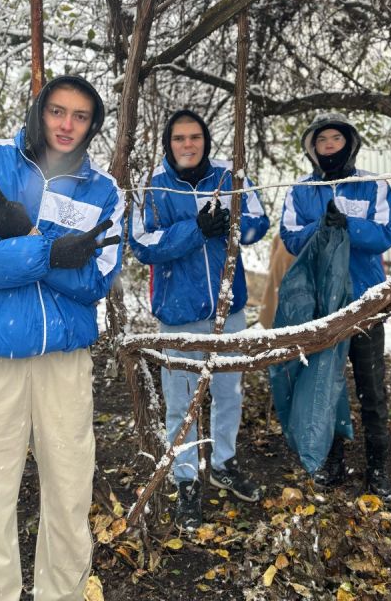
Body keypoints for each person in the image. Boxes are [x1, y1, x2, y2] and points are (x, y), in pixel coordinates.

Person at [0, 74, 124, 601]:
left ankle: (63, 593)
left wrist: (30, 247)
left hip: (64, 360)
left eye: (80, 116)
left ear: (93, 125)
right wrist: (42, 250)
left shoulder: (103, 190)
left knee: (69, 490)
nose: (66, 125)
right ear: (39, 111)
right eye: (57, 111)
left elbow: (96, 282)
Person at [129, 109, 269, 529]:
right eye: (178, 139)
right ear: (168, 144)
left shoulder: (229, 176)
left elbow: (258, 223)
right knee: (183, 402)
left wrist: (231, 223)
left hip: (230, 309)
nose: (187, 145)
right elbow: (144, 244)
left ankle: (224, 461)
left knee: (229, 393)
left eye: (194, 137)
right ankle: (186, 478)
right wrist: (195, 229)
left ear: (205, 140)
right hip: (179, 314)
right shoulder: (151, 187)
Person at [280, 111, 391, 499]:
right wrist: (322, 227)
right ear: (312, 148)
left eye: (335, 139)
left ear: (348, 143)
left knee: (371, 388)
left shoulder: (372, 185)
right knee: (324, 384)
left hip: (366, 302)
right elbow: (291, 237)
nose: (329, 145)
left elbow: (387, 233)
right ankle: (333, 460)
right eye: (321, 140)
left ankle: (378, 466)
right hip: (321, 306)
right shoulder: (300, 190)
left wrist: (349, 225)